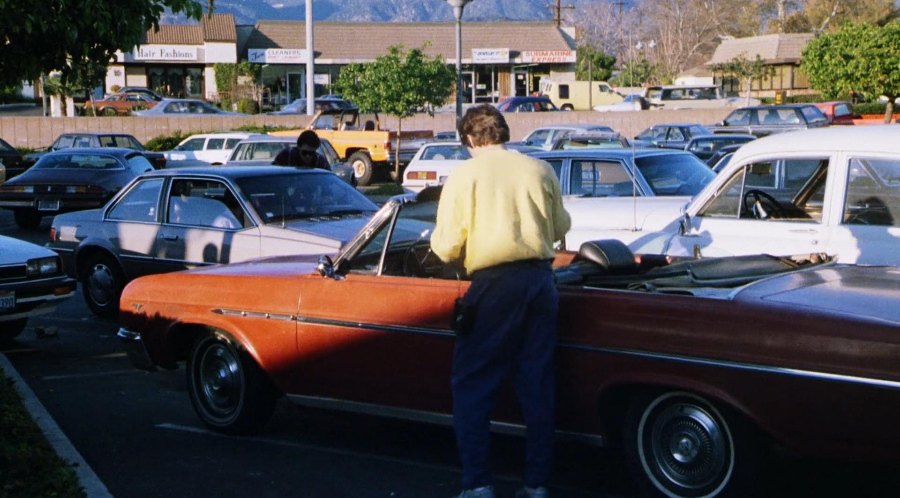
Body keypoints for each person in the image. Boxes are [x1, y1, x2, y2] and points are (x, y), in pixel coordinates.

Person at [431, 104, 571, 498]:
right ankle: (537, 484)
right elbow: (561, 226)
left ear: (471, 139)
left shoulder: (464, 177)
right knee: (537, 383)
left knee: (472, 384)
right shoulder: (539, 170)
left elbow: (445, 247)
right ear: (503, 132)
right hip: (541, 283)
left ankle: (478, 484)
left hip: (492, 285)